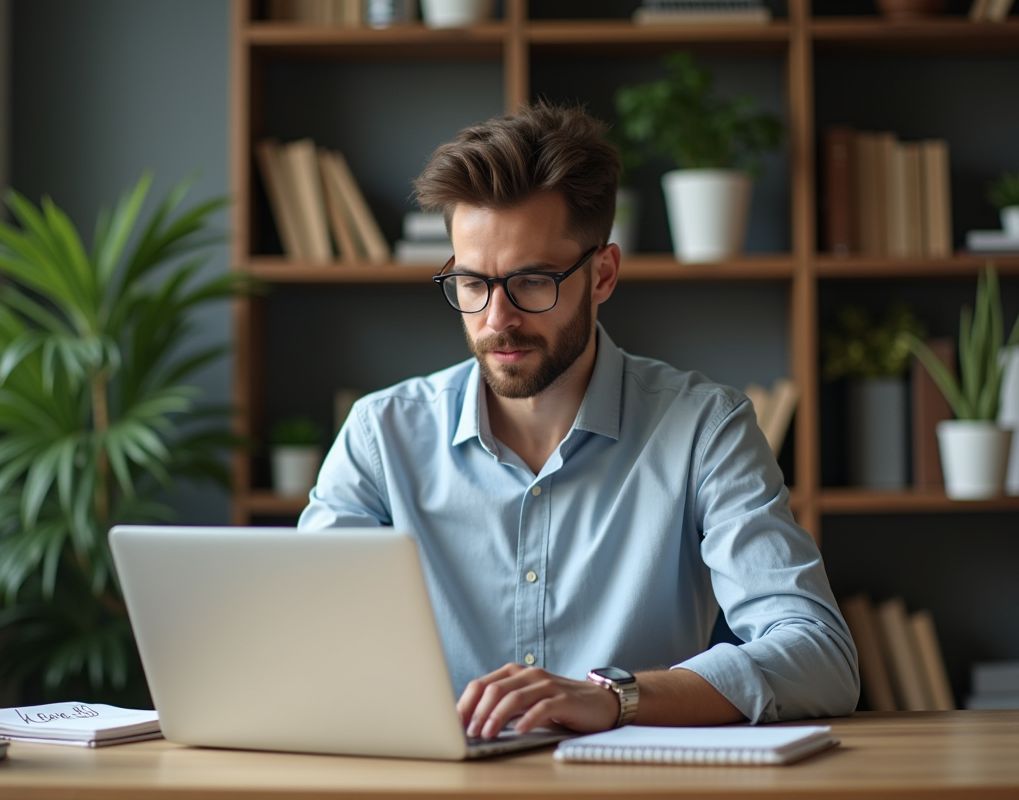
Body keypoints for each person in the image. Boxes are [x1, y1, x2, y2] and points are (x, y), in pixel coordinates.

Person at [298, 102, 858, 739]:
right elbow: (304, 651)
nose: (495, 319)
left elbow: (819, 656)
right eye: (472, 283)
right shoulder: (379, 437)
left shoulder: (706, 428)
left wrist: (617, 698)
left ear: (603, 275)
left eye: (532, 281)